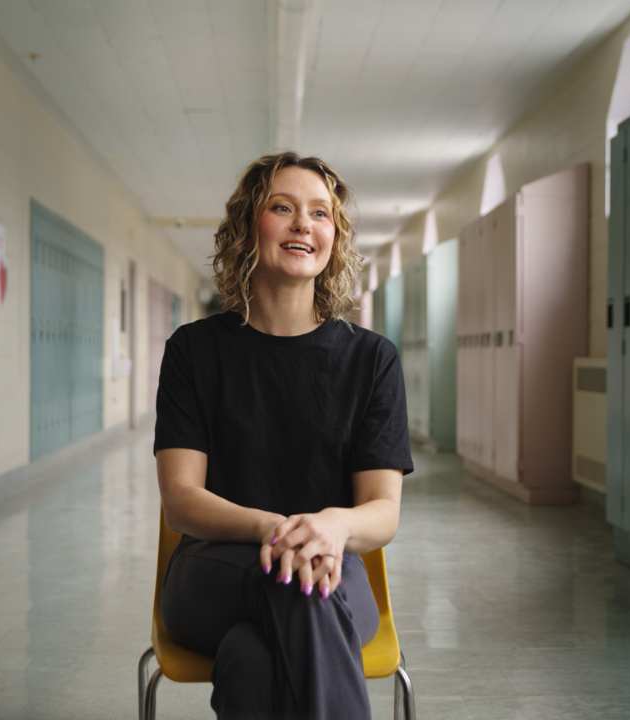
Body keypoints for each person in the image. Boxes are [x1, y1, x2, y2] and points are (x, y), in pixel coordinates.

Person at [154, 151, 413, 719]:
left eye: (321, 214)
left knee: (251, 658)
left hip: (334, 566)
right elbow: (181, 500)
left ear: (334, 239)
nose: (303, 224)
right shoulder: (194, 352)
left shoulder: (371, 361)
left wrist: (332, 526)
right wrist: (276, 529)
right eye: (282, 207)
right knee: (302, 589)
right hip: (215, 570)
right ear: (249, 227)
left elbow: (382, 512)